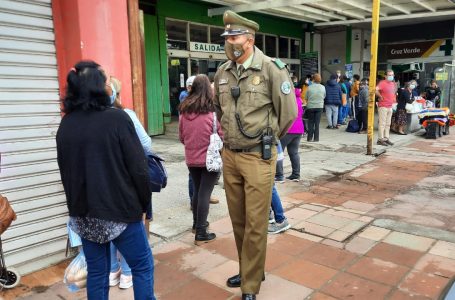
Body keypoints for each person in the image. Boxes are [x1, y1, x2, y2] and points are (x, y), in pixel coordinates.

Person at [213, 10, 297, 300]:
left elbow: (288, 114)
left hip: (258, 157)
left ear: (249, 40)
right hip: (231, 156)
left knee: (256, 222)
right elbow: (219, 109)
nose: (229, 42)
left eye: (233, 37)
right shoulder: (223, 72)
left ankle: (250, 285)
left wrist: (268, 139)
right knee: (238, 220)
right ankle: (249, 267)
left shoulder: (271, 69)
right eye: (227, 37)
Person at [56, 61, 155, 300]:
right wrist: (144, 205)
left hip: (84, 215)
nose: (110, 87)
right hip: (120, 211)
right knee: (142, 266)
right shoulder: (117, 119)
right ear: (99, 87)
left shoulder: (66, 124)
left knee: (98, 273)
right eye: (107, 83)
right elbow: (139, 169)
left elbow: (65, 173)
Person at [109, 76, 153, 290]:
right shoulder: (125, 115)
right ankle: (127, 273)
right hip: (125, 182)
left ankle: (112, 270)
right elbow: (145, 144)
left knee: (104, 227)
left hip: (99, 189)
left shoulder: (83, 118)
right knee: (129, 227)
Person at [179, 74, 222, 245]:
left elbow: (182, 137)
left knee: (197, 191)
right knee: (205, 193)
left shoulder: (184, 112)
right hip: (209, 159)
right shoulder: (212, 114)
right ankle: (201, 232)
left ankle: (196, 225)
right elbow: (221, 136)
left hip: (191, 158)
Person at [275, 76, 304, 183]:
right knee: (294, 152)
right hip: (299, 129)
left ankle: (279, 175)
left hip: (288, 129)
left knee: (279, 152)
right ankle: (296, 174)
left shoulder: (288, 99)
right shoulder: (299, 98)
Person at [268, 141, 290, 234]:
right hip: (268, 152)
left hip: (267, 153)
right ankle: (269, 216)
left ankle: (281, 220)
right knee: (266, 188)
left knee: (269, 188)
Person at [375, 69, 397, 146]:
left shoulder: (393, 84)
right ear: (385, 76)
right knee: (382, 123)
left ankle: (386, 138)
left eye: (392, 75)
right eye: (389, 75)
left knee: (388, 124)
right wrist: (380, 96)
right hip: (383, 106)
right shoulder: (382, 83)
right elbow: (375, 90)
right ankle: (380, 139)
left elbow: (393, 94)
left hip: (390, 106)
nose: (391, 76)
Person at [305, 73, 325, 142]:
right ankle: (316, 138)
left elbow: (306, 97)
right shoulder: (323, 87)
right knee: (317, 123)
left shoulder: (309, 87)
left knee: (310, 122)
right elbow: (324, 96)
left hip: (310, 106)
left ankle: (309, 138)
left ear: (313, 79)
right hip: (319, 106)